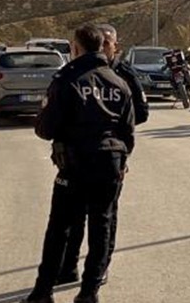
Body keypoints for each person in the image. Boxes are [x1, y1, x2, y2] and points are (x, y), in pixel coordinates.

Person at [20, 24, 135, 303]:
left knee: (59, 228)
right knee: (102, 225)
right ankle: (89, 292)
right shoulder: (118, 82)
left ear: (75, 48)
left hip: (75, 164)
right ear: (103, 46)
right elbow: (128, 131)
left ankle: (43, 293)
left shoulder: (67, 78)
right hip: (110, 163)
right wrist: (121, 161)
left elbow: (46, 128)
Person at [55, 23, 148, 286]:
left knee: (105, 216)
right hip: (76, 156)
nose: (104, 47)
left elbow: (140, 112)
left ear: (115, 46)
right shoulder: (76, 72)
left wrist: (109, 124)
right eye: (101, 42)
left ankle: (99, 268)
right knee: (74, 215)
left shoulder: (123, 75)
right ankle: (68, 266)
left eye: (109, 43)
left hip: (110, 155)